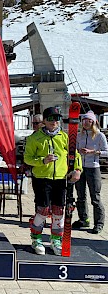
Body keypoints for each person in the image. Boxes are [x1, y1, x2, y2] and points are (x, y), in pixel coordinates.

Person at [24, 107, 82, 256]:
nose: (54, 121)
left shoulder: (64, 137)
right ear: (44, 120)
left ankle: (56, 239)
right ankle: (36, 237)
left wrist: (78, 170)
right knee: (43, 210)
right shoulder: (35, 138)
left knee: (58, 210)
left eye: (57, 118)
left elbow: (75, 155)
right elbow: (27, 158)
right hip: (42, 178)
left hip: (61, 179)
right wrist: (43, 160)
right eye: (50, 118)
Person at [73, 110, 108, 234]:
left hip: (93, 168)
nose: (86, 123)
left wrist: (93, 152)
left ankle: (99, 223)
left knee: (95, 197)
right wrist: (78, 151)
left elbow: (106, 151)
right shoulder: (79, 135)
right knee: (80, 196)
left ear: (93, 122)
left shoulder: (99, 135)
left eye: (89, 120)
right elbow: (75, 149)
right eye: (84, 120)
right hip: (80, 167)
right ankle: (83, 219)